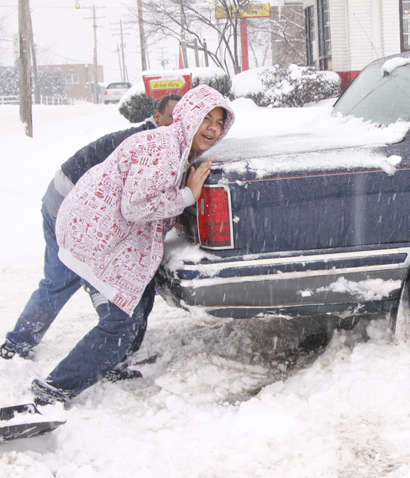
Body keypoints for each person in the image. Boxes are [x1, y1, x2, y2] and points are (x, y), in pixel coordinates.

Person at [31, 85, 235, 405]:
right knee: (119, 324)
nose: (212, 127)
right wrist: (187, 196)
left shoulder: (178, 147)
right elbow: (136, 207)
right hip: (94, 235)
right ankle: (52, 391)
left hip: (106, 232)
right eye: (205, 117)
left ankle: (112, 363)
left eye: (219, 122)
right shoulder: (164, 146)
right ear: (189, 116)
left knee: (139, 299)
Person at [0, 94, 182, 361]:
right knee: (73, 279)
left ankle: (24, 342)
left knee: (74, 280)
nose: (176, 124)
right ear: (157, 117)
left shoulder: (160, 143)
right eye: (171, 117)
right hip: (65, 206)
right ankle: (20, 344)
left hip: (70, 200)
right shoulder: (148, 145)